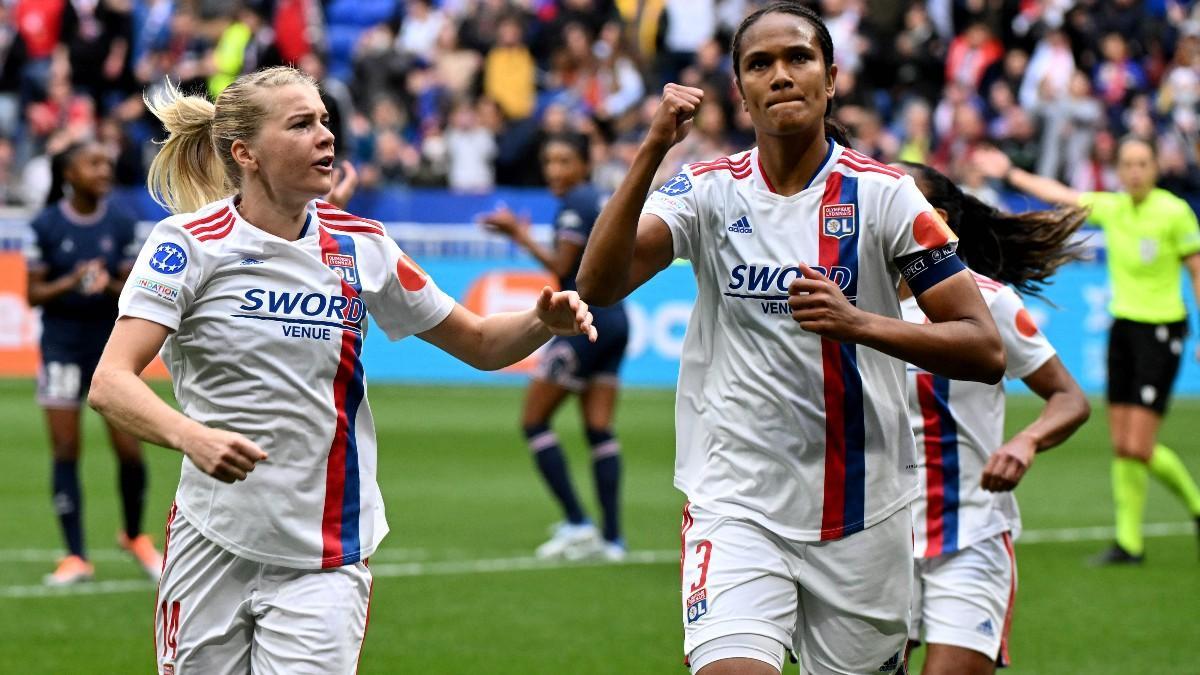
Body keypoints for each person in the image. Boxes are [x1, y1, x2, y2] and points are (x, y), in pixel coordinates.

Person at [86, 66, 595, 674]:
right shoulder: (188, 246)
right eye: (301, 124)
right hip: (210, 539)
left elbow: (481, 342)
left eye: (325, 120)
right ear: (245, 153)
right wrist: (191, 437)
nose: (325, 136)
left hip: (327, 553)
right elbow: (111, 381)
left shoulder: (363, 245)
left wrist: (542, 320)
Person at [576, 4, 1006, 674]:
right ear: (740, 91)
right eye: (759, 64)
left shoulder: (888, 197)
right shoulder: (706, 189)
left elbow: (984, 347)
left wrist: (858, 321)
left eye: (798, 58)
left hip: (865, 511)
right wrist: (652, 148)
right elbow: (599, 282)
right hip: (737, 500)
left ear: (831, 79)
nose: (780, 75)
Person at [897, 162, 1091, 675]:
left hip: (969, 535)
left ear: (932, 220)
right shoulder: (852, 300)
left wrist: (1024, 443)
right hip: (876, 540)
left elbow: (1069, 398)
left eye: (895, 192)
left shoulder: (986, 302)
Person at [976, 138, 1200, 565]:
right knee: (1122, 443)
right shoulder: (1114, 207)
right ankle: (1129, 543)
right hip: (1124, 329)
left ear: (1155, 167)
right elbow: (1058, 194)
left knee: (1138, 444)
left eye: (1142, 163)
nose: (1135, 171)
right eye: (1128, 164)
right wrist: (1008, 173)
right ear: (1118, 170)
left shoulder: (1174, 211)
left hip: (1162, 331)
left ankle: (1195, 505)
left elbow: (1196, 270)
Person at [480, 132, 630, 561]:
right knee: (599, 429)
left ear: (585, 164)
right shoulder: (594, 199)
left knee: (534, 421)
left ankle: (579, 524)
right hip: (615, 318)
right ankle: (613, 539)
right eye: (550, 162)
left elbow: (564, 270)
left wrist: (518, 235)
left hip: (584, 321)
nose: (555, 171)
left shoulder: (575, 205)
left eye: (565, 161)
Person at [23, 140, 163, 586]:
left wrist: (104, 286)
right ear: (69, 174)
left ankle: (135, 535)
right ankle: (76, 555)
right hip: (61, 348)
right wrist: (70, 281)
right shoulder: (45, 225)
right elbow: (32, 294)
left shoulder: (121, 222)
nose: (104, 170)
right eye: (93, 163)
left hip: (111, 351)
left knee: (129, 448)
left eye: (107, 162)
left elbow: (134, 289)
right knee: (66, 450)